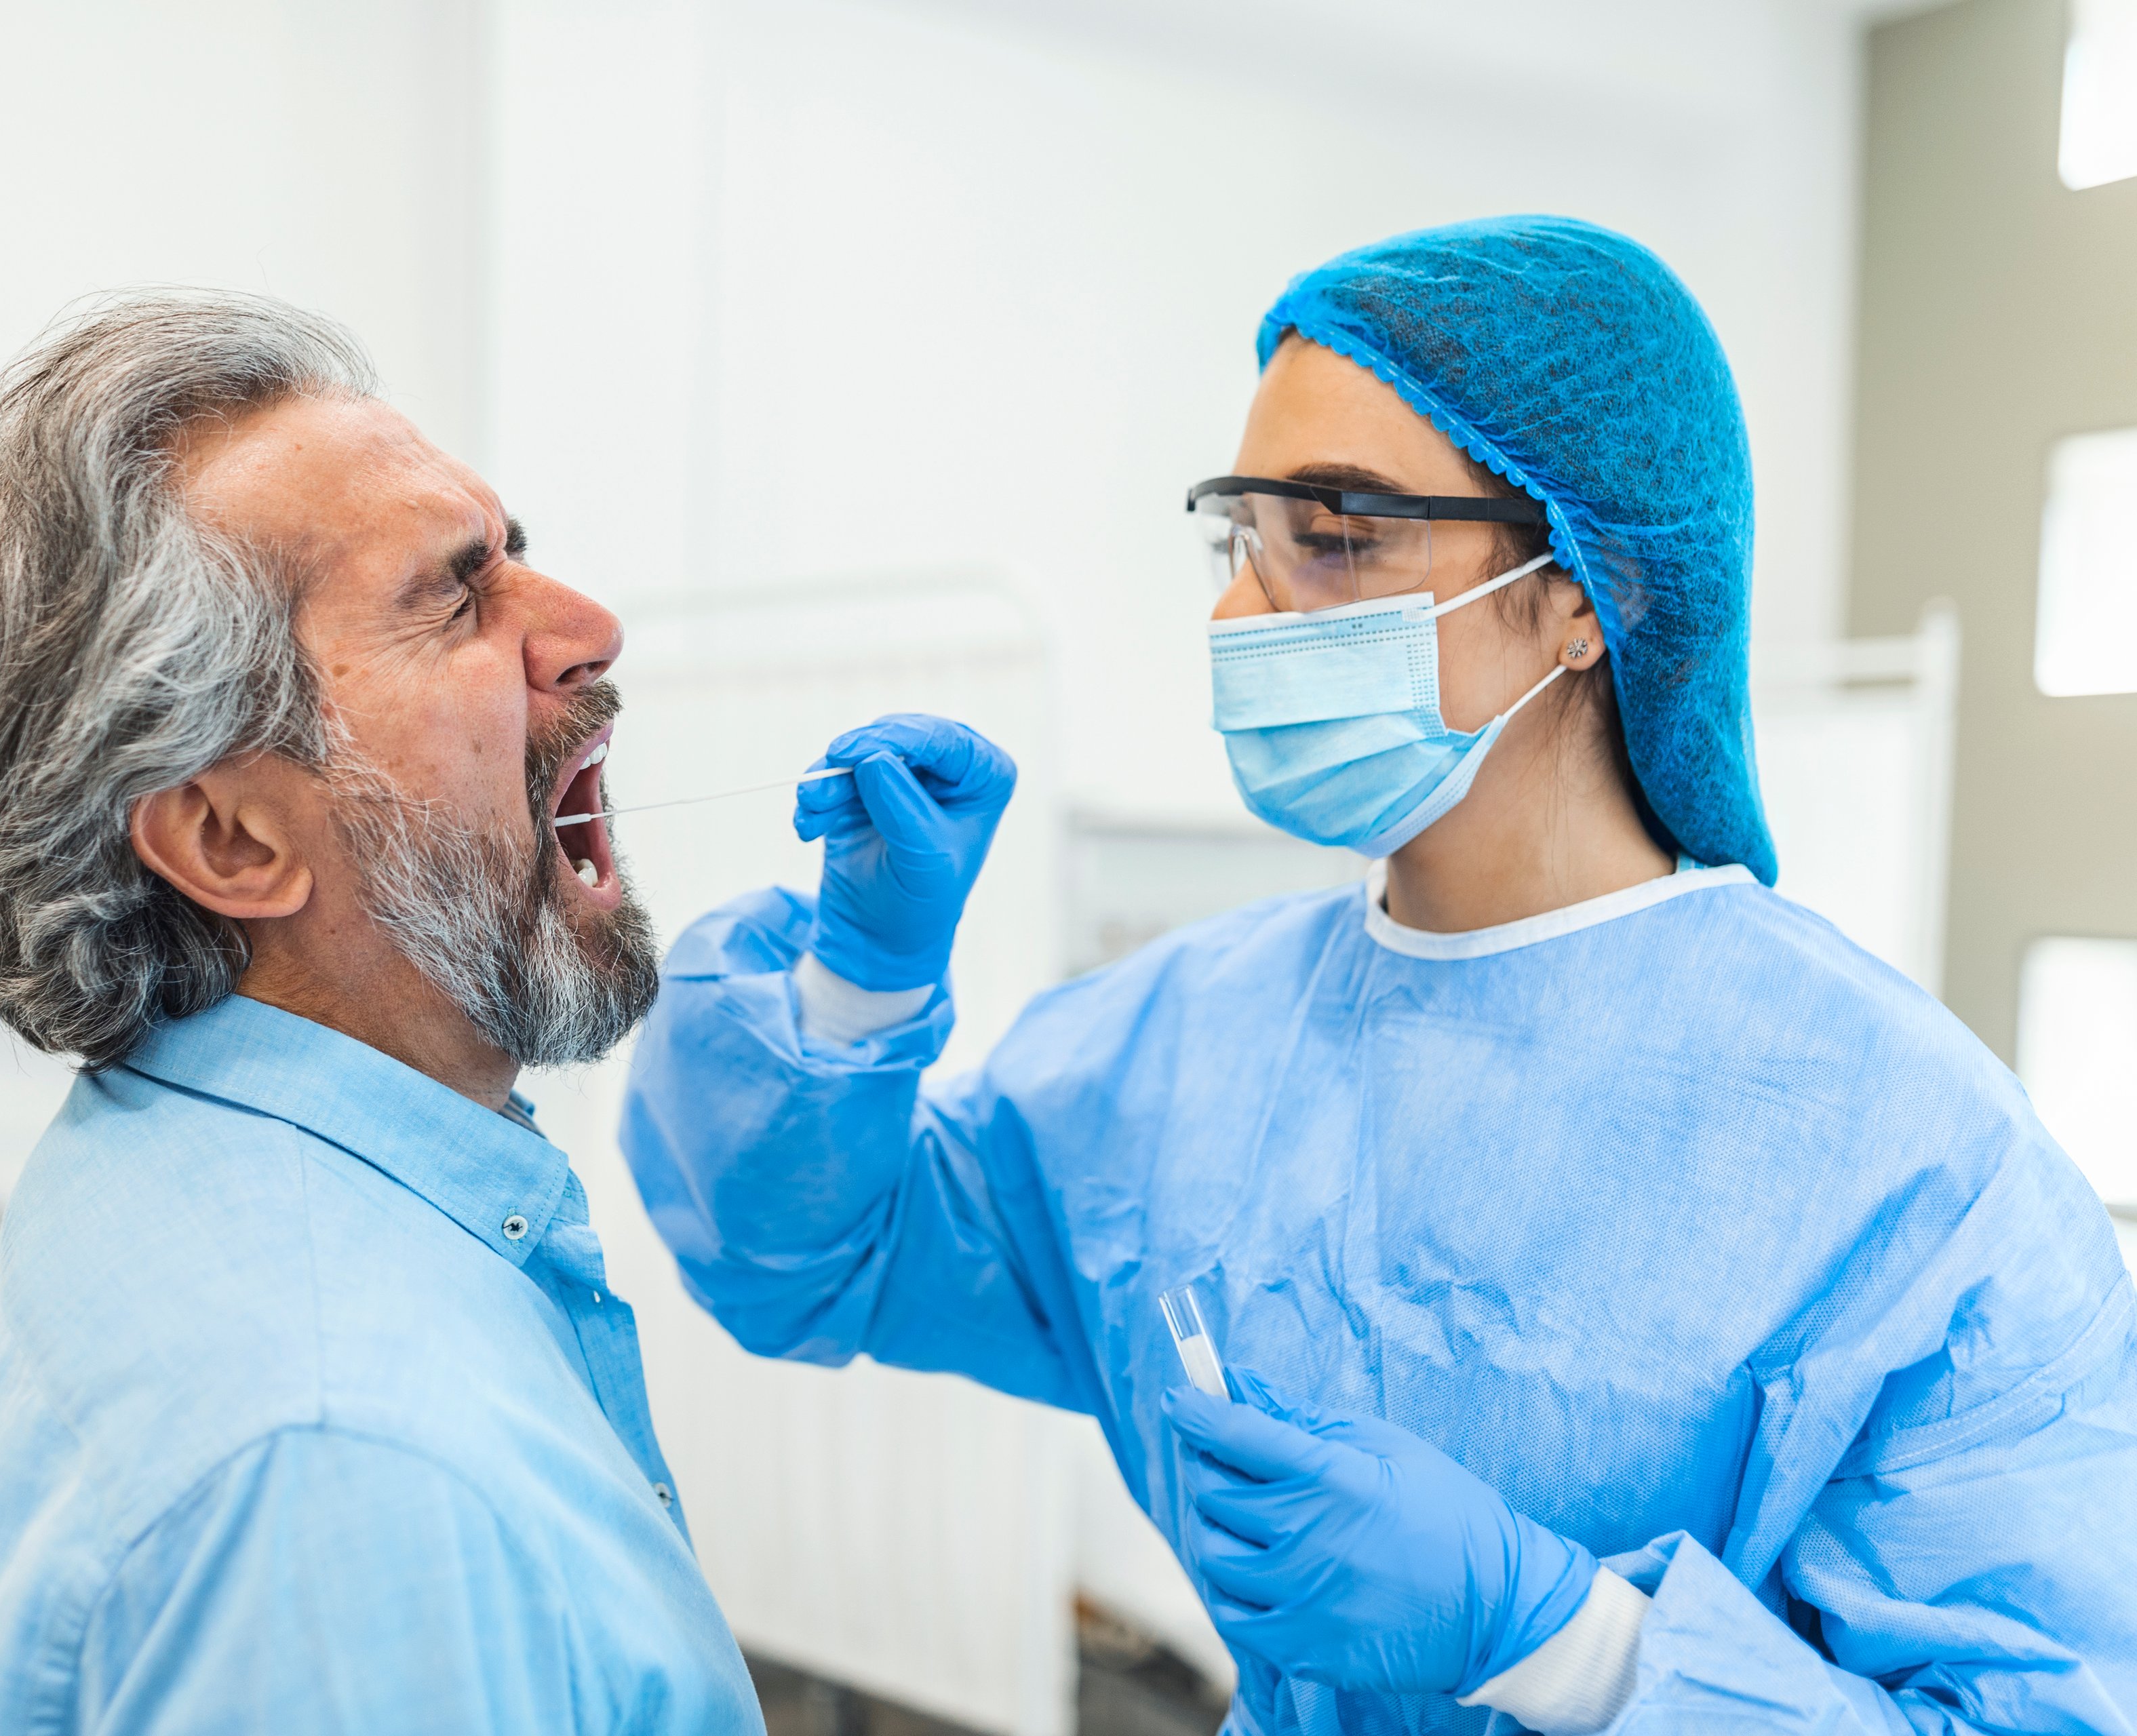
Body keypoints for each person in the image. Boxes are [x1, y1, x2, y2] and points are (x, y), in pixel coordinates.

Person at [621, 216, 2137, 1736]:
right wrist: (861, 988)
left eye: (1335, 532)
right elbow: (817, 1254)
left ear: (1579, 592)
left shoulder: (1913, 1163)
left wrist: (1571, 1645)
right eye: (1243, 538)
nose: (1243, 611)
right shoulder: (1188, 1040)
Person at [0, 293, 762, 1734]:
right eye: (454, 594)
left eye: (511, 553)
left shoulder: (163, 1149)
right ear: (232, 842)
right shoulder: (352, 1470)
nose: (586, 627)